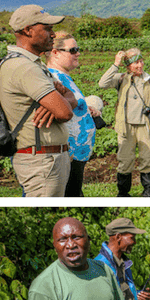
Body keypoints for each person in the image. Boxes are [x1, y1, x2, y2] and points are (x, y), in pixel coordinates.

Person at [0, 4, 75, 197]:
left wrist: (56, 102)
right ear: (28, 30)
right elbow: (65, 112)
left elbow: (71, 98)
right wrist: (58, 103)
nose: (53, 34)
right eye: (47, 28)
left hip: (47, 158)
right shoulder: (25, 68)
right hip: (42, 161)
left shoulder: (32, 64)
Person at [99, 48, 150, 197]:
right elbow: (102, 84)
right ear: (128, 66)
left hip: (145, 127)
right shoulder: (120, 78)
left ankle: (148, 192)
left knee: (148, 158)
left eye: (141, 61)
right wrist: (115, 64)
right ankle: (123, 194)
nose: (140, 65)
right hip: (126, 127)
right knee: (125, 160)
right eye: (135, 63)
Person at [46, 31, 98, 197]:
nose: (78, 53)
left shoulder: (63, 76)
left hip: (76, 154)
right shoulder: (53, 78)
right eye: (73, 50)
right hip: (68, 155)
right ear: (55, 53)